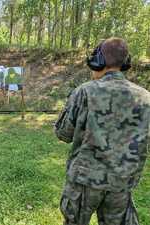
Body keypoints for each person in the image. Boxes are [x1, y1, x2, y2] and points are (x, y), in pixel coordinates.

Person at [54, 37, 149, 225]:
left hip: (85, 182)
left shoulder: (85, 92)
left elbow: (63, 134)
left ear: (99, 61)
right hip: (121, 183)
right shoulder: (146, 98)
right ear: (125, 62)